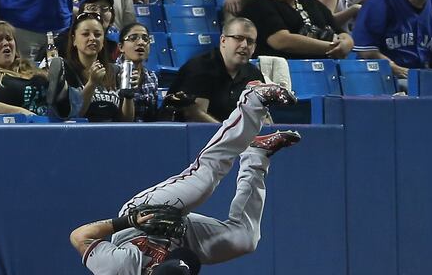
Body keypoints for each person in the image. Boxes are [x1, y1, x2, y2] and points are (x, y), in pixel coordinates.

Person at [69, 83, 300, 274]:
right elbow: (185, 259)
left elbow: (79, 236)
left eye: (157, 269)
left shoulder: (119, 267)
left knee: (204, 182)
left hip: (142, 216)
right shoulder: (178, 267)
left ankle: (253, 100)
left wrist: (129, 221)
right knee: (244, 239)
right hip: (181, 238)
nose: (157, 265)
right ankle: (256, 155)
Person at [168, 17, 265, 123]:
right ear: (223, 40)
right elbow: (195, 115)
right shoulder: (200, 68)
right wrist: (230, 136)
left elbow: (262, 116)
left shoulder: (254, 74)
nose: (244, 45)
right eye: (238, 38)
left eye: (250, 41)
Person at [0, 20, 65, 116]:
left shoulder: (31, 68)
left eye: (9, 39)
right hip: (12, 127)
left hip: (48, 123)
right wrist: (20, 112)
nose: (5, 43)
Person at [63, 11, 132, 122]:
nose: (92, 38)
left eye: (98, 34)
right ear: (74, 39)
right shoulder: (65, 70)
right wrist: (92, 83)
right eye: (85, 34)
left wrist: (129, 95)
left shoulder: (115, 70)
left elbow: (126, 121)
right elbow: (74, 115)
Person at [117, 22, 158, 122]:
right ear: (121, 47)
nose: (141, 43)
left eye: (145, 39)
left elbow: (152, 118)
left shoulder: (152, 77)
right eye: (133, 38)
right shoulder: (111, 73)